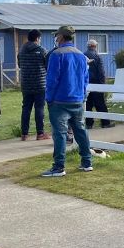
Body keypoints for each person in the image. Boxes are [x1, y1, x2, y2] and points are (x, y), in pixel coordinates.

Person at [41, 26, 92, 177]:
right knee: (81, 131)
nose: (56, 38)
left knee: (60, 134)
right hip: (77, 99)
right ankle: (87, 162)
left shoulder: (56, 54)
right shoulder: (81, 55)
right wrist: (82, 95)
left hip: (59, 101)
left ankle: (59, 167)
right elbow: (85, 79)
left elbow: (52, 80)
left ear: (62, 37)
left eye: (57, 36)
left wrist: (48, 98)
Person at [18, 29, 49, 141]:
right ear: (37, 38)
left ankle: (24, 134)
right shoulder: (41, 50)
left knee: (26, 108)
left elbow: (20, 64)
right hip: (40, 84)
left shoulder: (21, 50)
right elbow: (48, 66)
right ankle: (40, 133)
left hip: (25, 84)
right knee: (39, 108)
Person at [84, 39, 113, 129]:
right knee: (100, 103)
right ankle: (105, 123)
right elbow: (101, 71)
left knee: (88, 104)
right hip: (97, 82)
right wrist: (103, 83)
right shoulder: (97, 56)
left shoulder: (83, 55)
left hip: (87, 83)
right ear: (94, 46)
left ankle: (89, 124)